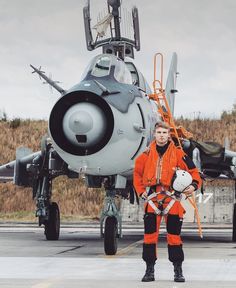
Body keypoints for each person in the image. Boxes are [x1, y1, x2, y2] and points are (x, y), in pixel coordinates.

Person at [133, 121, 202, 283]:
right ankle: (149, 270)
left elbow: (194, 172)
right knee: (149, 237)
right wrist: (141, 191)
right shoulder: (145, 154)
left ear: (169, 135)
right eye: (159, 133)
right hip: (152, 200)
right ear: (155, 134)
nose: (162, 136)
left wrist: (193, 185)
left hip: (172, 200)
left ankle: (178, 270)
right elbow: (137, 174)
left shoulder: (179, 154)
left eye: (165, 133)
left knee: (174, 237)